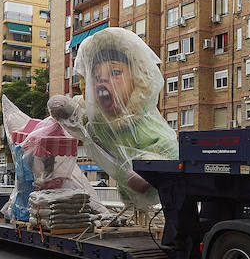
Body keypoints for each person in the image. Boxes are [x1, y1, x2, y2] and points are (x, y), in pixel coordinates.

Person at [47, 27, 178, 211]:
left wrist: (149, 169)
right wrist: (66, 108)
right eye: (96, 76)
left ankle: (138, 210)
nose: (102, 81)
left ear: (137, 78)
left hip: (145, 185)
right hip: (126, 188)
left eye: (115, 73)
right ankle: (133, 210)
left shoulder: (145, 124)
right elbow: (78, 117)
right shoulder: (98, 121)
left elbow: (170, 150)